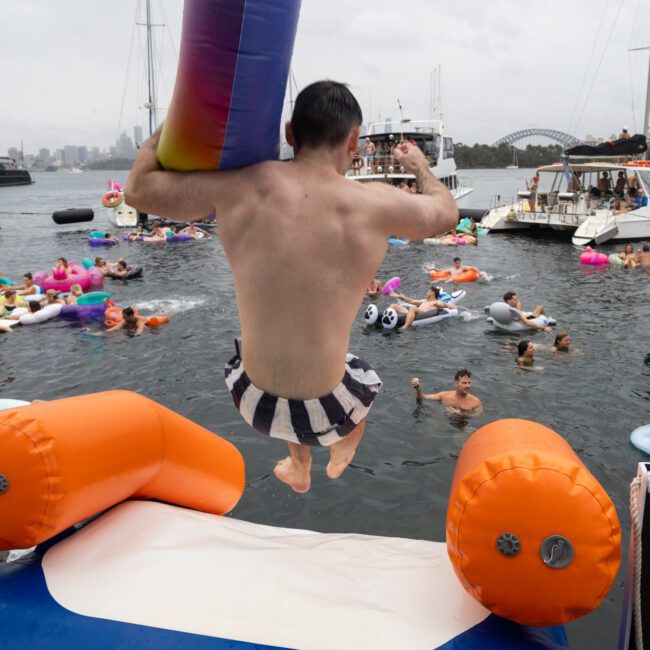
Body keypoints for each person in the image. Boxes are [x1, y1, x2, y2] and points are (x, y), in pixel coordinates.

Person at [126, 80, 458, 493]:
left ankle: (298, 466)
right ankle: (344, 445)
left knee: (283, 342)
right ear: (354, 140)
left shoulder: (235, 185)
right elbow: (447, 213)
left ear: (289, 134)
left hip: (251, 398)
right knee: (353, 375)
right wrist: (420, 168)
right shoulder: (375, 204)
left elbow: (137, 191)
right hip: (331, 409)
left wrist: (177, 124)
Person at [410, 370, 482, 413]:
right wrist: (418, 390)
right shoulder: (444, 395)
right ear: (456, 383)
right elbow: (423, 397)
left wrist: (460, 414)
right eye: (464, 383)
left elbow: (478, 417)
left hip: (463, 424)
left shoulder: (475, 402)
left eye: (469, 383)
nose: (468, 386)